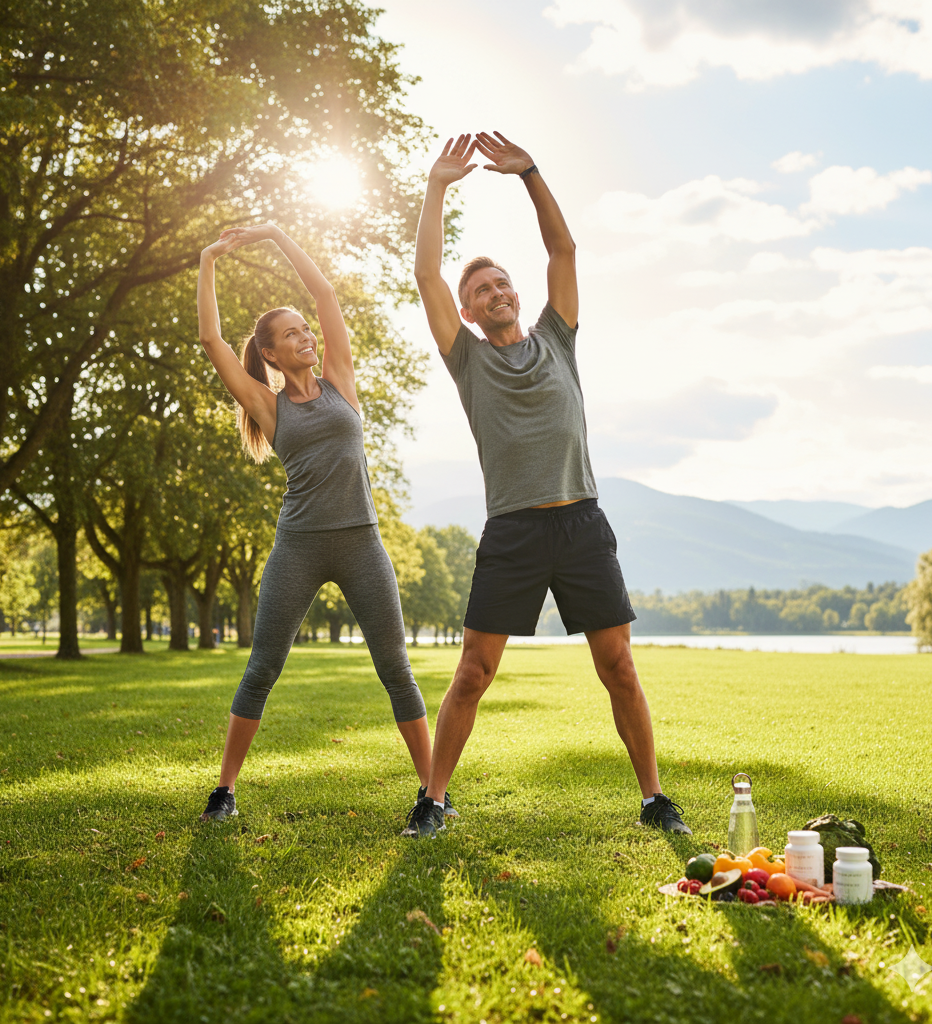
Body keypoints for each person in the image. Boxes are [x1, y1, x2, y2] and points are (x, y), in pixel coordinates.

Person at [402, 132, 691, 838]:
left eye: (501, 284)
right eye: (480, 291)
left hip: (582, 524)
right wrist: (437, 186)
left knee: (619, 666)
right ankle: (433, 801)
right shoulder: (467, 359)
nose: (494, 293)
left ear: (516, 294)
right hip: (515, 531)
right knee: (473, 673)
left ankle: (655, 799)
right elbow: (426, 275)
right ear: (468, 312)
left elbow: (563, 251)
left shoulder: (557, 337)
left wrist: (529, 172)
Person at [195, 221, 455, 823]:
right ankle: (225, 791)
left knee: (395, 668)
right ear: (269, 354)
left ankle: (432, 796)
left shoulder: (341, 383)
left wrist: (276, 234)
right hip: (300, 546)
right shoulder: (268, 405)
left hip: (362, 542)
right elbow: (211, 339)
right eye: (289, 335)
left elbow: (326, 297)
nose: (305, 336)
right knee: (263, 667)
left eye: (304, 330)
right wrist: (209, 259)